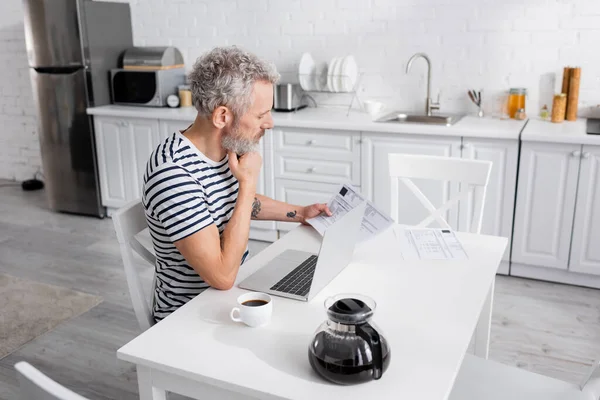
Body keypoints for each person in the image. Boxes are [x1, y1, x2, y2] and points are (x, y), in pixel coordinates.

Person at [142, 46, 332, 322]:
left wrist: (301, 213)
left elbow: (232, 205)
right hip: (190, 318)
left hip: (233, 296)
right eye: (260, 115)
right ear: (222, 116)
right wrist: (248, 182)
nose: (270, 123)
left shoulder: (224, 149)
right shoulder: (173, 173)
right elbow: (222, 276)